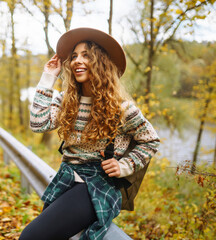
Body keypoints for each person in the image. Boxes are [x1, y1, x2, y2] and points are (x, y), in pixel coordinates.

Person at [19, 28, 160, 240]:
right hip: (66, 178)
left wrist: (123, 166)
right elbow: (38, 124)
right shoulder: (66, 100)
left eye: (86, 55)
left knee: (30, 237)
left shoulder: (122, 108)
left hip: (97, 186)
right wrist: (48, 77)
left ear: (100, 62)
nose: (77, 60)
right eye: (74, 56)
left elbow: (150, 141)